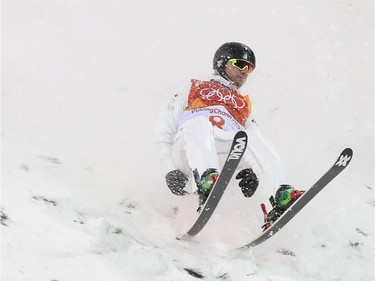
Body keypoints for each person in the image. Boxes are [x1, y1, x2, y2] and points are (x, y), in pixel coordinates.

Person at [155, 42, 303, 224]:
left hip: (222, 152)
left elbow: (251, 146)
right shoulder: (192, 87)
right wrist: (169, 169)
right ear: (222, 62)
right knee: (199, 121)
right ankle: (206, 179)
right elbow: (165, 131)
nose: (245, 72)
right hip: (187, 148)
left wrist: (250, 171)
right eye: (240, 64)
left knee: (253, 135)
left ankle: (279, 195)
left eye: (249, 68)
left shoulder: (245, 104)